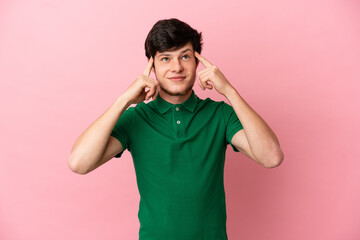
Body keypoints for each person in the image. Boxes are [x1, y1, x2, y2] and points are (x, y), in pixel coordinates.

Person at [67, 18, 284, 240]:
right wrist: (124, 100)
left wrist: (228, 90)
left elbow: (271, 157)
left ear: (197, 62)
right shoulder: (137, 118)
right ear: (152, 66)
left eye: (185, 56)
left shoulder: (220, 114)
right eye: (165, 58)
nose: (177, 67)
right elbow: (78, 163)